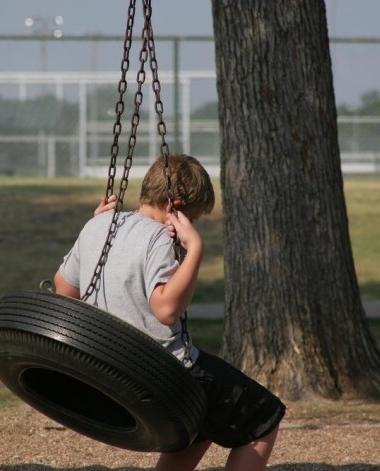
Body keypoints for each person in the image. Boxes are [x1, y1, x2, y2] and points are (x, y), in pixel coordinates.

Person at [54, 153, 285, 471]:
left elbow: (64, 290)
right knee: (264, 417)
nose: (192, 225)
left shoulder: (99, 224)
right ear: (173, 207)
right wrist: (195, 250)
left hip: (104, 369)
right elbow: (166, 310)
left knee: (201, 424)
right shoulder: (160, 238)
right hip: (163, 373)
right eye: (192, 218)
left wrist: (96, 227)